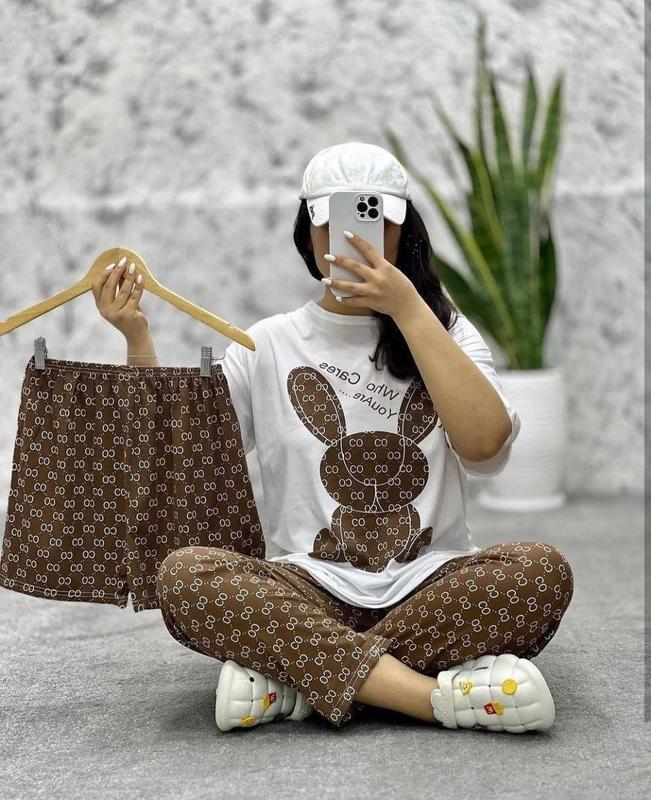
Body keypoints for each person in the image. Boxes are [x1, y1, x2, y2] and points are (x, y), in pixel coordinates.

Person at [91, 142, 574, 735]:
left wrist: (408, 310)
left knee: (540, 572)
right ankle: (428, 696)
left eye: (374, 221)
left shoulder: (445, 330)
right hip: (305, 587)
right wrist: (138, 338)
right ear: (308, 232)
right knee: (183, 575)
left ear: (404, 231)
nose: (351, 240)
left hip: (429, 583)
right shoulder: (267, 343)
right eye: (331, 224)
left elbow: (486, 450)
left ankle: (298, 677)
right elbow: (180, 459)